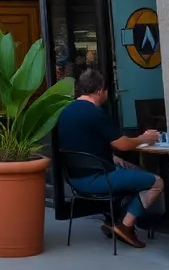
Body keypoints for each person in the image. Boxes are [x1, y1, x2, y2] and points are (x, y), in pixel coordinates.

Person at [57, 69, 163, 248]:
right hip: (97, 180)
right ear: (100, 91)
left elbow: (82, 145)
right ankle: (125, 226)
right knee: (156, 182)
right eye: (107, 90)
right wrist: (145, 138)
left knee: (134, 170)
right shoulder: (95, 113)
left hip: (75, 180)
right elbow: (123, 144)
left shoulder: (66, 111)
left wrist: (113, 158)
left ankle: (112, 220)